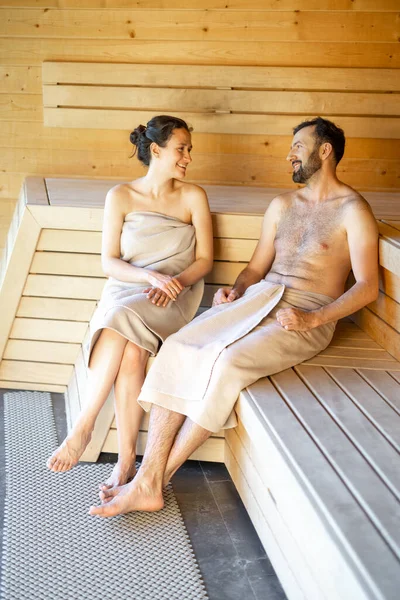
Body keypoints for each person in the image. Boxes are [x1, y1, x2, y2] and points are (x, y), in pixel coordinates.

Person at [89, 116, 379, 517]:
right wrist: (236, 289)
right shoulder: (282, 205)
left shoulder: (353, 210)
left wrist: (314, 320)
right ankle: (148, 480)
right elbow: (256, 267)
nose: (290, 154)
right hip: (258, 299)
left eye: (298, 146)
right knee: (181, 346)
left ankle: (151, 481)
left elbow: (367, 286)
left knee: (226, 362)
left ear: (324, 150)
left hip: (307, 311)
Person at [46, 115, 213, 489]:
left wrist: (173, 283)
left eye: (189, 150)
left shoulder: (193, 196)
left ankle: (84, 426)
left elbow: (205, 260)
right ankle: (124, 466)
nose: (188, 157)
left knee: (119, 318)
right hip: (129, 288)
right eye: (181, 149)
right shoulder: (120, 195)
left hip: (174, 297)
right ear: (156, 150)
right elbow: (109, 262)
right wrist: (149, 277)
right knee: (132, 351)